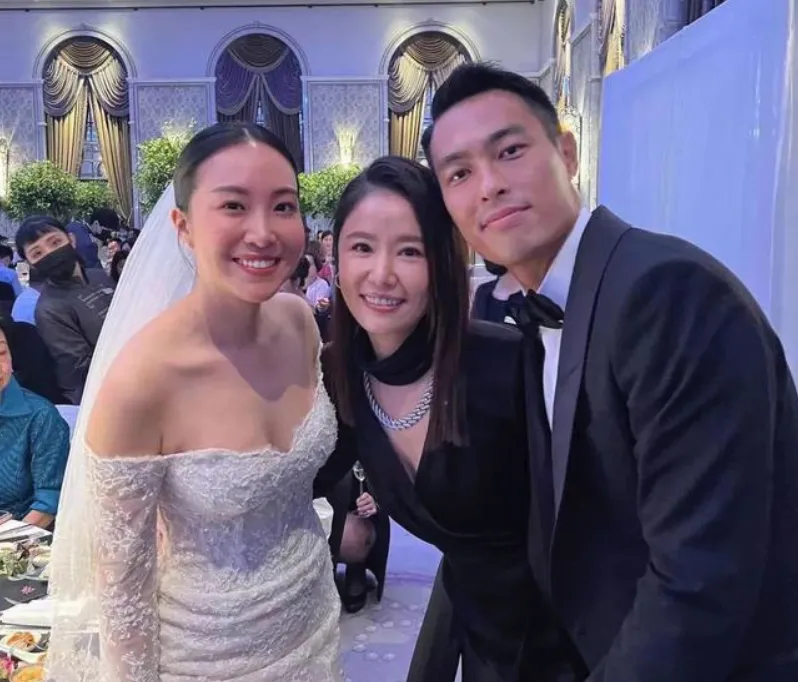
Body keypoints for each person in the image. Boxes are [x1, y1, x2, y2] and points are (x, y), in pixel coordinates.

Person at [423, 62, 798, 682]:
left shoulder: (668, 294)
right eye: (459, 173)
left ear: (567, 153)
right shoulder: (519, 313)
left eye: (510, 151)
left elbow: (697, 580)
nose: (488, 185)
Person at [45, 122, 341, 682]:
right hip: (205, 657)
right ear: (183, 226)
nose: (263, 232)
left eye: (283, 206)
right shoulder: (142, 383)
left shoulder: (299, 322)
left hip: (313, 615)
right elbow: (123, 592)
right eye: (233, 206)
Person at [315, 156, 581, 682]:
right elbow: (297, 481)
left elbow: (586, 515)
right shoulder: (338, 376)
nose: (382, 274)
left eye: (409, 251)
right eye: (362, 247)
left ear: (441, 262)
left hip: (570, 631)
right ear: (335, 258)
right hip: (480, 631)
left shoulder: (507, 363)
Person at [15, 216, 115, 404]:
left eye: (55, 242)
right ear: (30, 263)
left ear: (71, 240)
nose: (50, 253)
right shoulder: (49, 309)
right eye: (37, 253)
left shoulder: (98, 276)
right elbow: (78, 375)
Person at [0, 318, 69, 527]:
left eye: (1, 353)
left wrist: (9, 540)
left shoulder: (41, 417)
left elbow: (48, 503)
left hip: (18, 535)